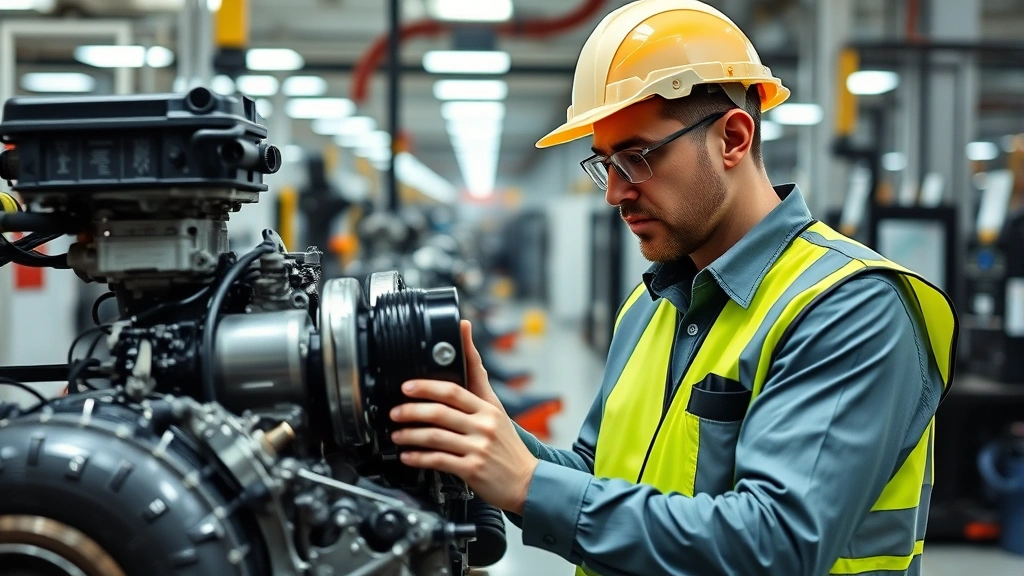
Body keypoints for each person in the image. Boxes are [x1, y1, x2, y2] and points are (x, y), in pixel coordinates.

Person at [388, 0, 959, 574]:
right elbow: (599, 475)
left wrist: (529, 484)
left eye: (636, 158)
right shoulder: (649, 304)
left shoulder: (850, 307)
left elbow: (777, 543)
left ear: (733, 139)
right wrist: (490, 436)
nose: (614, 193)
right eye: (605, 164)